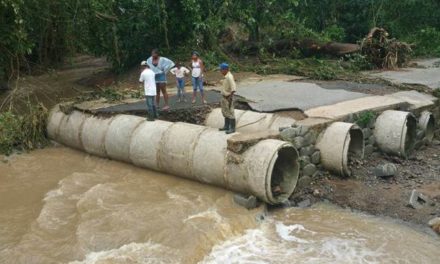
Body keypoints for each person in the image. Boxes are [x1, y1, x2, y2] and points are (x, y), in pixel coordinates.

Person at [218, 62, 236, 134]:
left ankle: (232, 128)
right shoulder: (226, 76)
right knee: (225, 112)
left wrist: (230, 98)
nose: (220, 71)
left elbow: (233, 89)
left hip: (228, 97)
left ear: (225, 70)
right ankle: (226, 126)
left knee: (230, 112)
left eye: (221, 70)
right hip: (224, 97)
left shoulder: (229, 77)